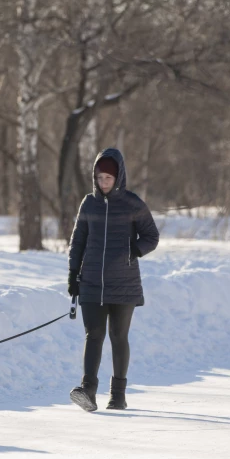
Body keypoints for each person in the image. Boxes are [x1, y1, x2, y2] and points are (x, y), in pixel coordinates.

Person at [67, 147, 159, 412]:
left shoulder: (132, 203)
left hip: (124, 282)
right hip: (92, 282)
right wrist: (74, 275)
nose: (103, 182)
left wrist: (134, 250)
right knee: (93, 334)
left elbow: (151, 236)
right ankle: (88, 391)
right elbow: (78, 243)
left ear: (118, 177)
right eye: (99, 178)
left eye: (108, 178)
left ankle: (118, 395)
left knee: (118, 336)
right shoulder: (88, 203)